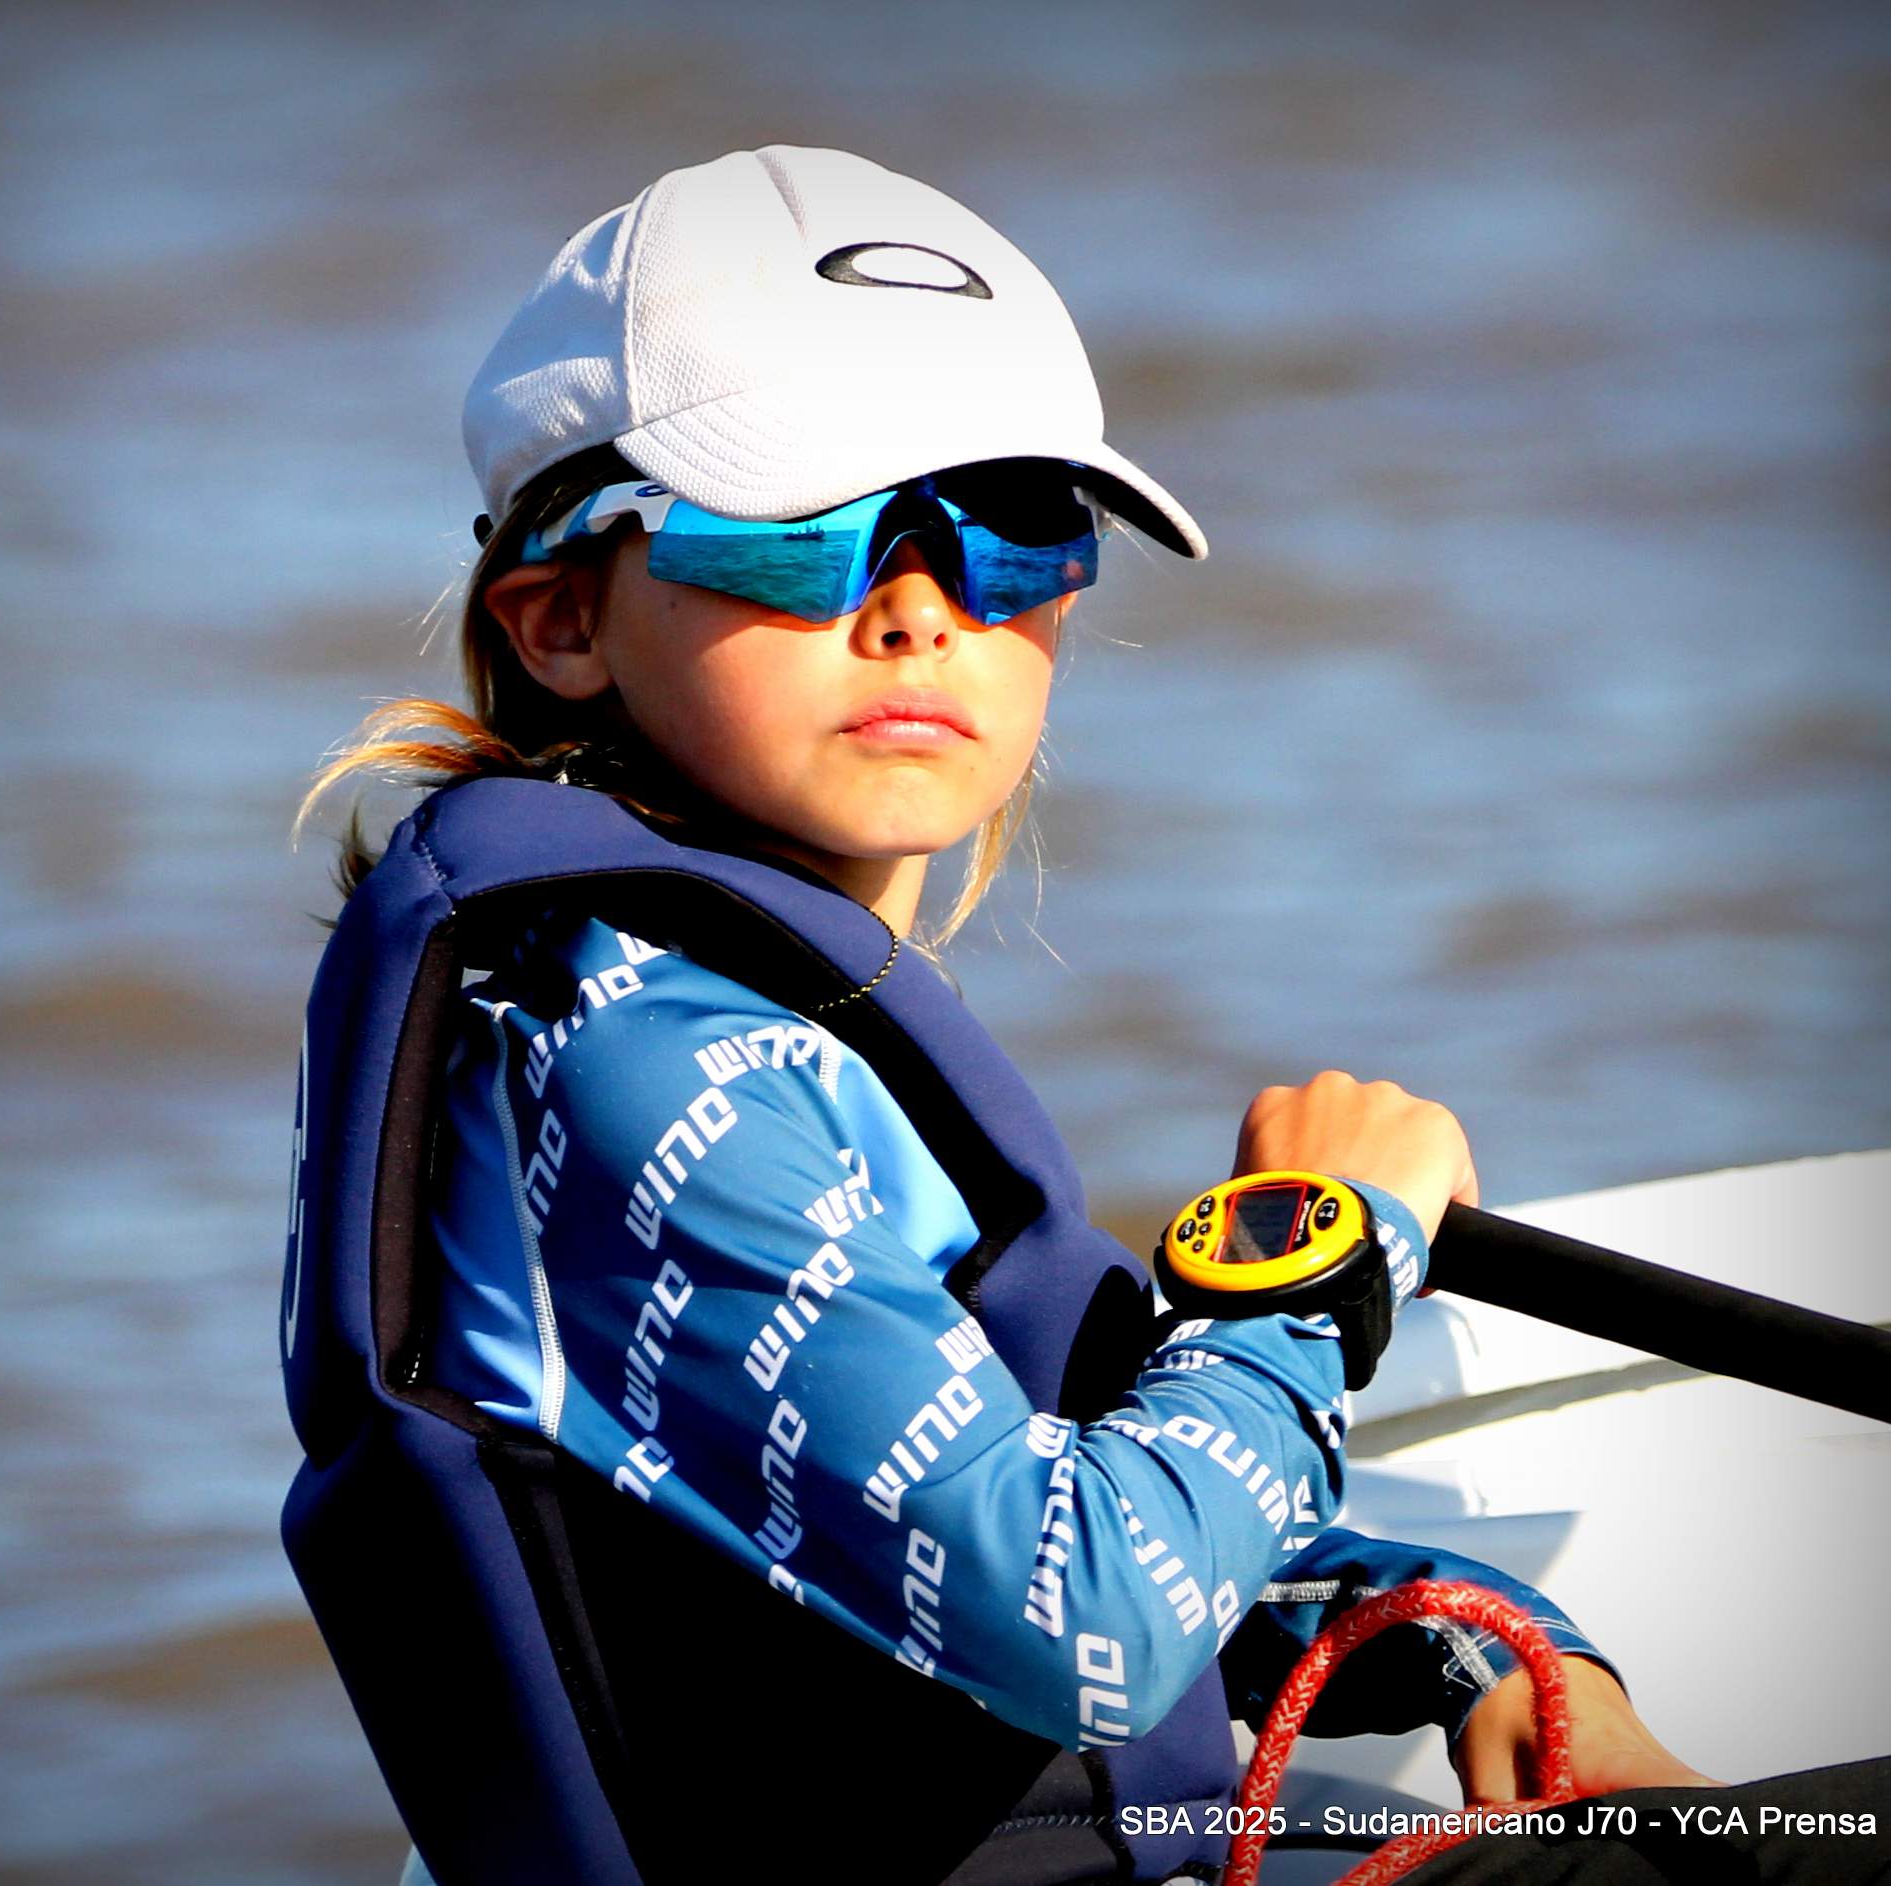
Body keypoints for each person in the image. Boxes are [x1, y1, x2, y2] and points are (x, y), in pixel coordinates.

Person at [295, 146, 1718, 1886]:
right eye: (804, 526)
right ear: (564, 618)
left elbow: (985, 1505)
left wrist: (1481, 1647)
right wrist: (1315, 1262)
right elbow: (1081, 1621)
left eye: (1008, 522)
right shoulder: (646, 1065)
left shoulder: (709, 1005)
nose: (919, 605)